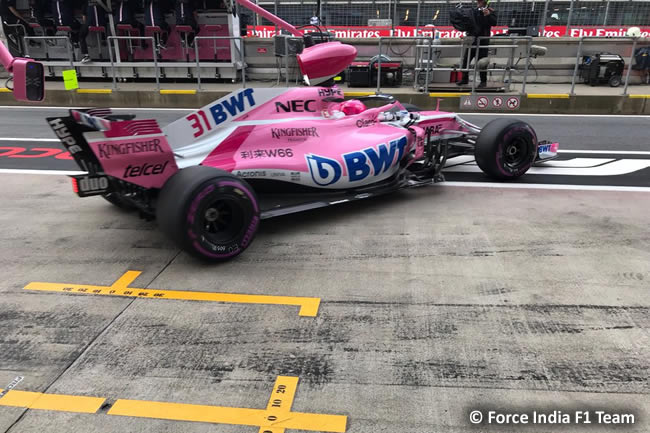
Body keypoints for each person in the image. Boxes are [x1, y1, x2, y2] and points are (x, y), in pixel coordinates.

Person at [457, 0, 496, 88]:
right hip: (472, 40)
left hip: (483, 41)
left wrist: (488, 15)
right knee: (466, 60)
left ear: (485, 2)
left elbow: (494, 23)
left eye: (480, 1)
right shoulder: (474, 11)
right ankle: (464, 79)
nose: (478, 3)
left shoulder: (491, 11)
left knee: (482, 63)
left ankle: (483, 82)